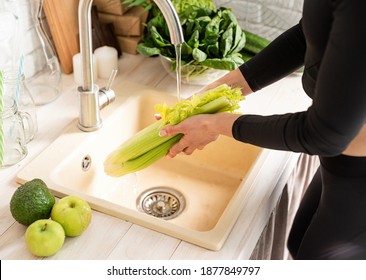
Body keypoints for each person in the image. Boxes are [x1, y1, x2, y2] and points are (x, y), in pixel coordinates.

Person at [158, 0, 366, 260]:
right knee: (298, 241)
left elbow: (323, 135)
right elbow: (310, 34)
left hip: (354, 169)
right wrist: (218, 91)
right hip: (342, 162)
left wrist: (214, 124)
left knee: (315, 256)